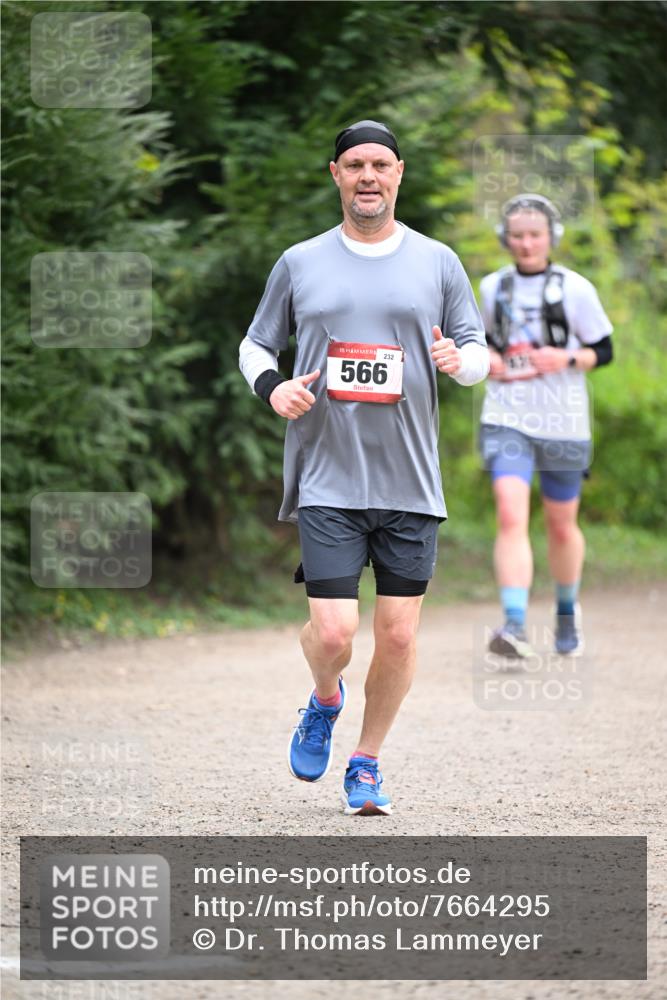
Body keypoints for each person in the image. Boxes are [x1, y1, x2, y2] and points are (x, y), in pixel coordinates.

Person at [239, 120, 488, 815]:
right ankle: (324, 700)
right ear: (335, 175)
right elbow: (256, 346)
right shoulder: (298, 261)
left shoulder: (436, 261)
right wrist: (273, 388)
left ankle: (366, 764)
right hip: (326, 475)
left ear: (399, 173)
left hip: (410, 479)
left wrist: (458, 363)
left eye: (380, 164)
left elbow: (475, 349)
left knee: (400, 633)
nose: (368, 176)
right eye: (355, 165)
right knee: (333, 633)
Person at [478, 193, 613, 659]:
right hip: (507, 416)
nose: (526, 244)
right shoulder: (492, 287)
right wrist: (488, 361)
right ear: (505, 239)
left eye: (534, 235)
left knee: (560, 525)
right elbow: (477, 346)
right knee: (510, 512)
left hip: (563, 420)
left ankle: (565, 611)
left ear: (550, 237)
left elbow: (604, 350)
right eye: (517, 235)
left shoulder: (576, 288)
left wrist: (568, 357)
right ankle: (514, 624)